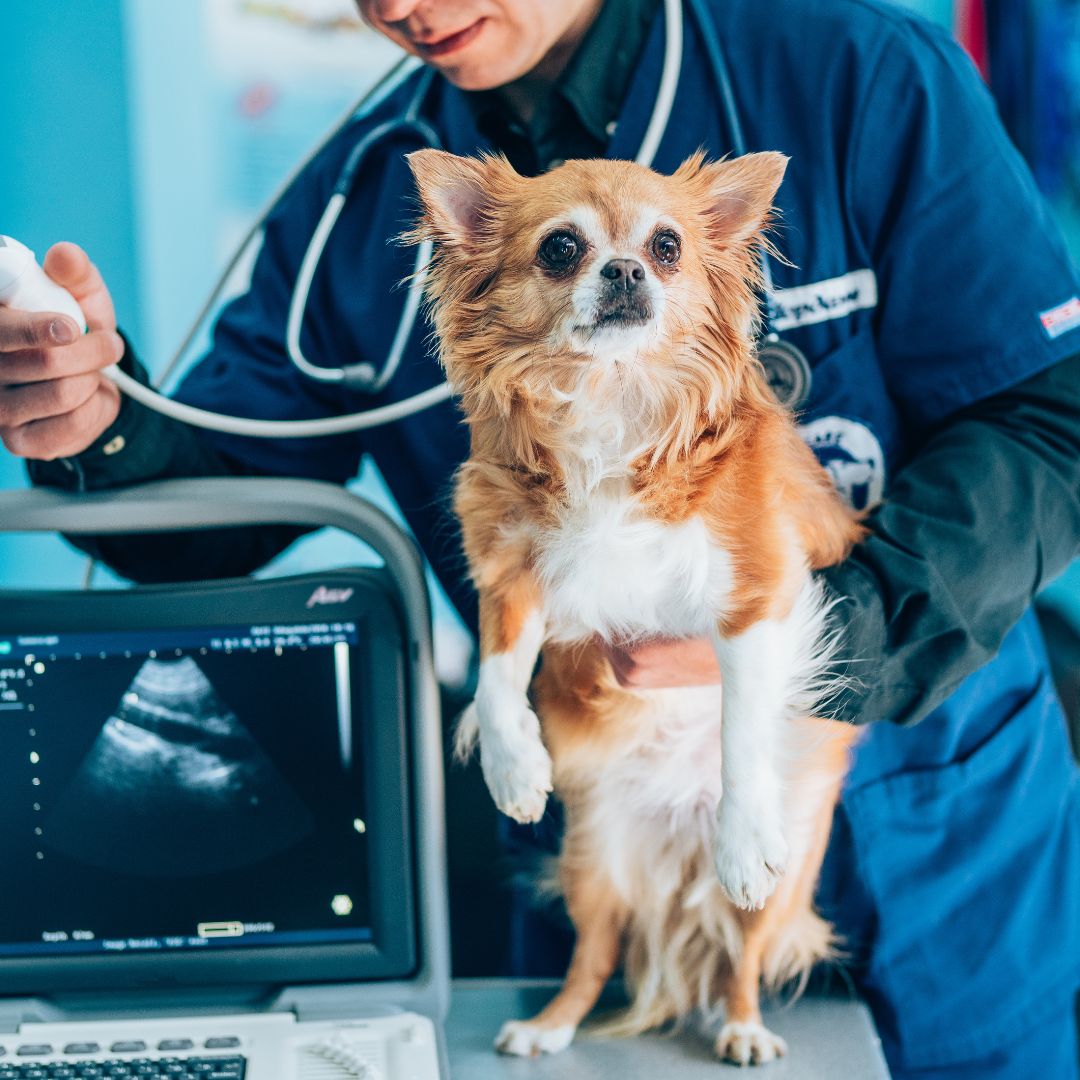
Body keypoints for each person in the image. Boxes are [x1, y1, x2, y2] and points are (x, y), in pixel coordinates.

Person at [2, 0, 1079, 1075]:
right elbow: (215, 504)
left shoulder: (858, 76)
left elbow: (1048, 421)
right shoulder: (361, 200)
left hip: (933, 844)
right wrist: (100, 426)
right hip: (603, 844)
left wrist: (835, 628)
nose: (400, 10)